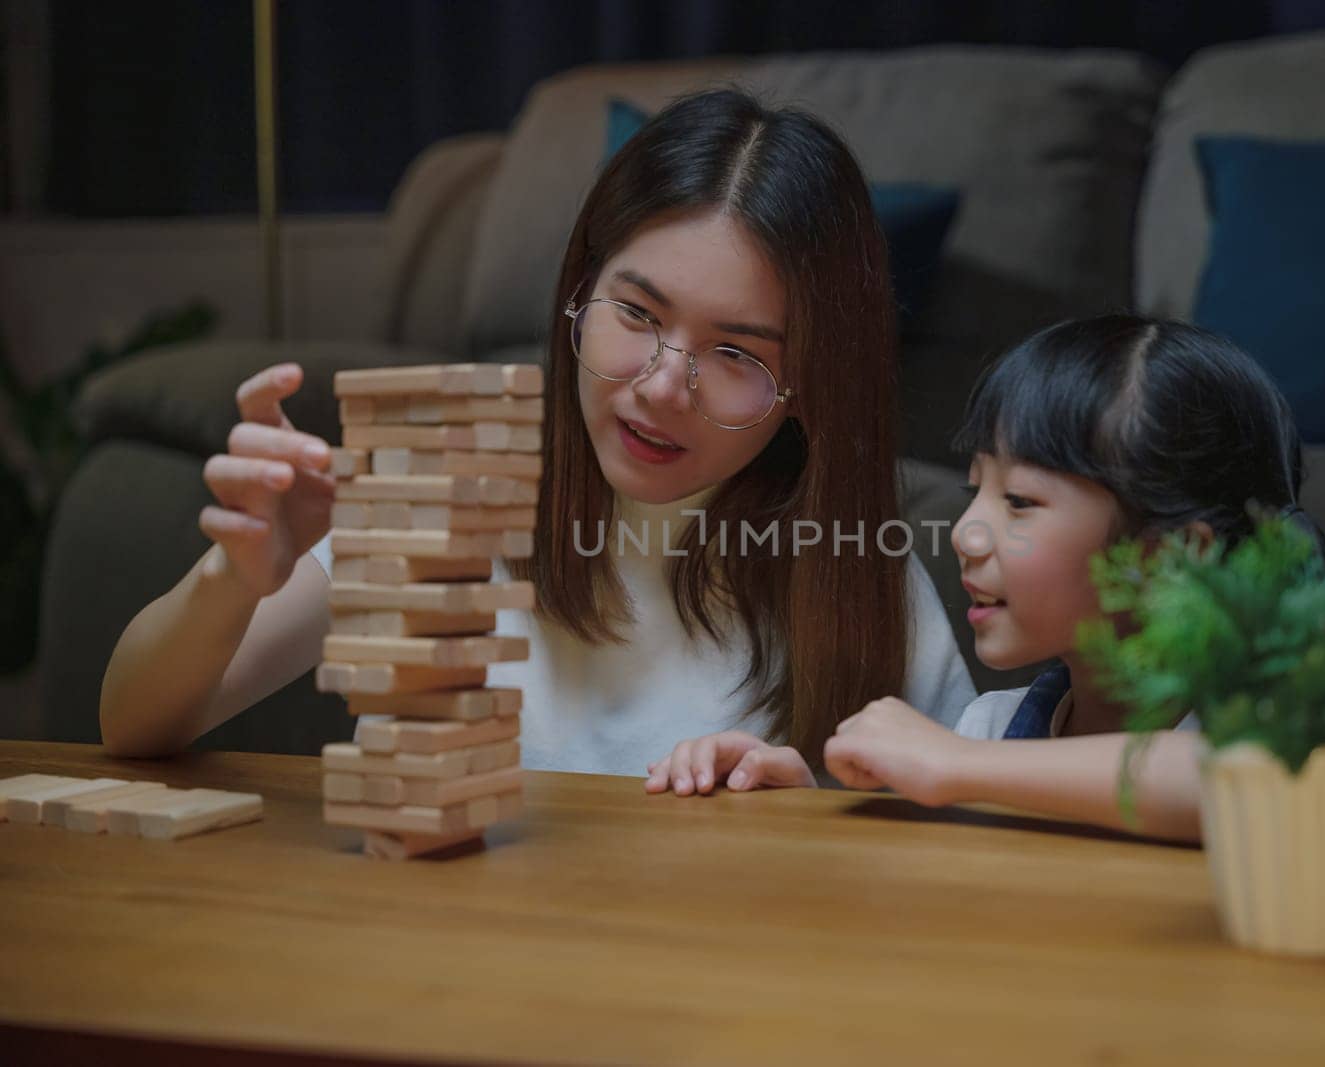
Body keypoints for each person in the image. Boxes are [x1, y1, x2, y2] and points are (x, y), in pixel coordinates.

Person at [99, 89, 975, 771]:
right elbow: (133, 726)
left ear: (805, 384)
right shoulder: (440, 493)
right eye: (636, 312)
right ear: (579, 294)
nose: (664, 385)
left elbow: (961, 853)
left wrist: (809, 827)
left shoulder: (861, 571)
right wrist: (234, 577)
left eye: (738, 354)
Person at [647, 315, 1325, 844]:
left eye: (1019, 501)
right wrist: (803, 810)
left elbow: (1239, 779)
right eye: (976, 488)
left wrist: (958, 766)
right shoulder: (989, 729)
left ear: (1172, 556)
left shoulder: (1268, 731)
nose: (963, 533)